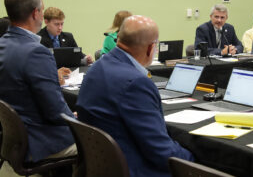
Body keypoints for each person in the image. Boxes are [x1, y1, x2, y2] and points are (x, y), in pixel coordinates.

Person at [76, 15, 194, 177]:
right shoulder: (136, 83)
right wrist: (194, 161)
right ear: (150, 48)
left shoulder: (97, 67)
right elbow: (161, 152)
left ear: (119, 38)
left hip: (100, 165)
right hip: (134, 169)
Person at [0, 0, 76, 175]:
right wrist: (75, 120)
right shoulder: (36, 52)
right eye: (42, 10)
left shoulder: (2, 44)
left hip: (12, 138)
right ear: (36, 13)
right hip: (39, 140)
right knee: (106, 140)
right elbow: (56, 112)